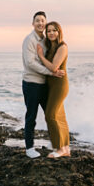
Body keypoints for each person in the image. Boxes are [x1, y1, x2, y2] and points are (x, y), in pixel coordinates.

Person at [21, 12, 64, 159]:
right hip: (31, 84)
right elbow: (30, 63)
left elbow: (52, 60)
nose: (40, 23)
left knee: (50, 115)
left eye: (42, 21)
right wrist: (51, 72)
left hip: (44, 85)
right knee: (31, 116)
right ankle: (29, 148)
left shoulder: (46, 40)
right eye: (37, 21)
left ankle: (56, 144)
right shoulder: (29, 40)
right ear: (33, 23)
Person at [36, 21, 70, 158]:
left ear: (59, 32)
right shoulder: (50, 47)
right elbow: (50, 69)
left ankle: (59, 148)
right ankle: (66, 148)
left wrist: (41, 56)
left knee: (50, 115)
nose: (51, 33)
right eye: (48, 31)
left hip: (59, 85)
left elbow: (54, 67)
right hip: (51, 84)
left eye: (54, 30)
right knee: (60, 116)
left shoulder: (62, 47)